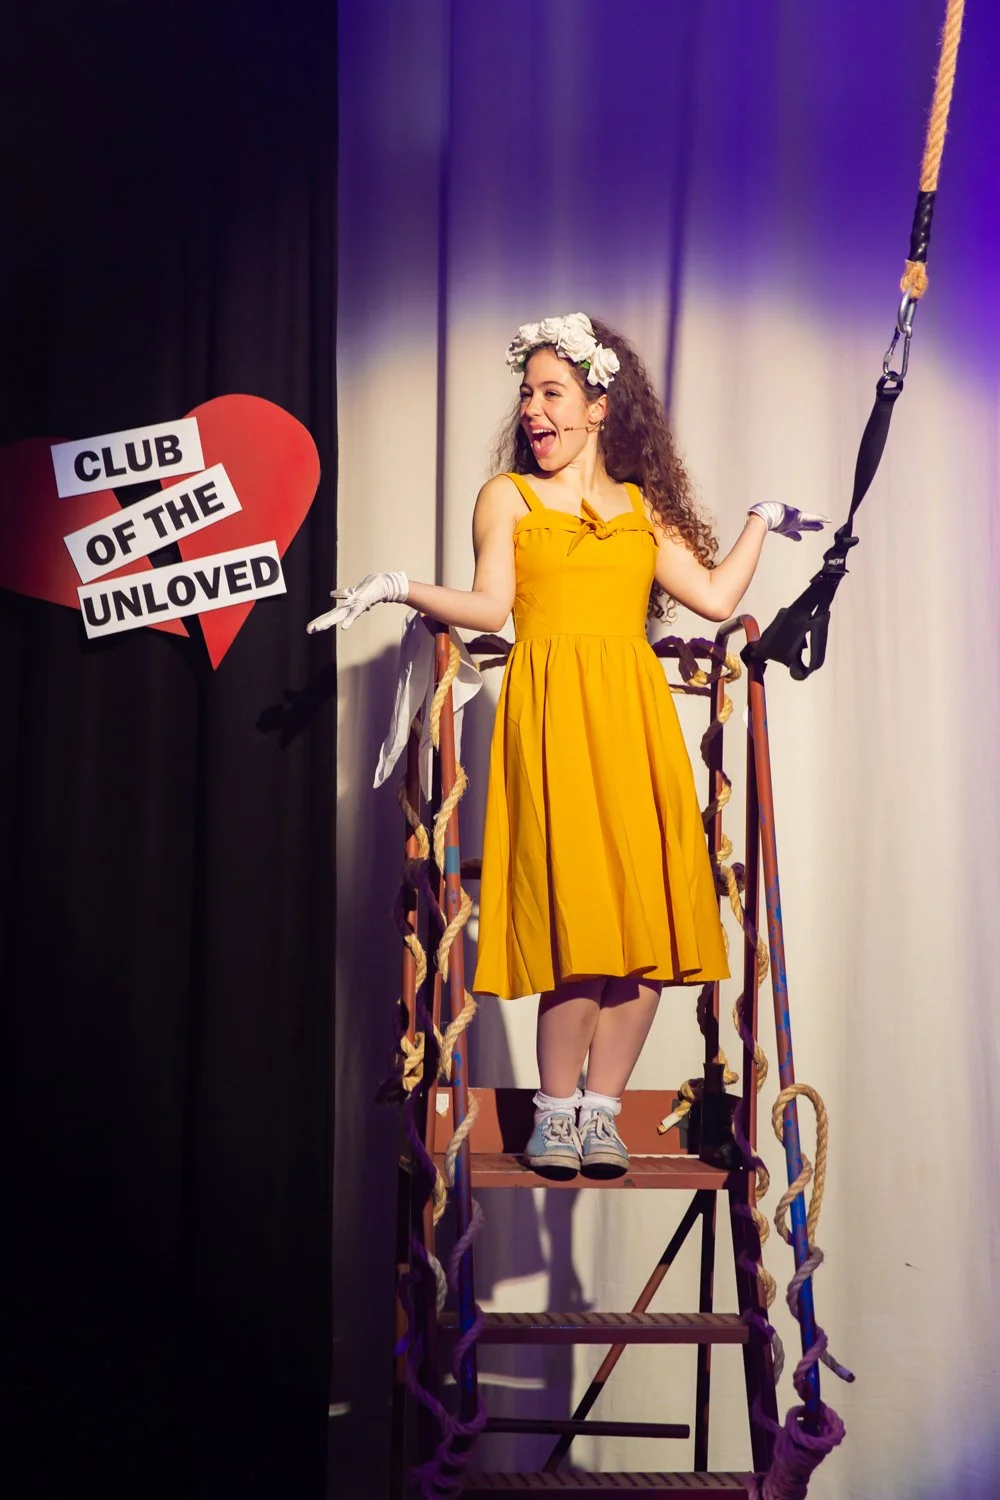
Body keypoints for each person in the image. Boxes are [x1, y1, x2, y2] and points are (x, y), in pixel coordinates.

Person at [308, 312, 827, 1178]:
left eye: (552, 393)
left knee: (652, 927)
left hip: (634, 723)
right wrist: (400, 587)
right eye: (527, 396)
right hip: (552, 720)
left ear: (598, 407)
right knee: (580, 927)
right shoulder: (506, 498)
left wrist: (760, 519)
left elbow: (709, 594)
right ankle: (555, 1110)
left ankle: (599, 1111)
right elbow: (487, 608)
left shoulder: (635, 508)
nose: (534, 412)